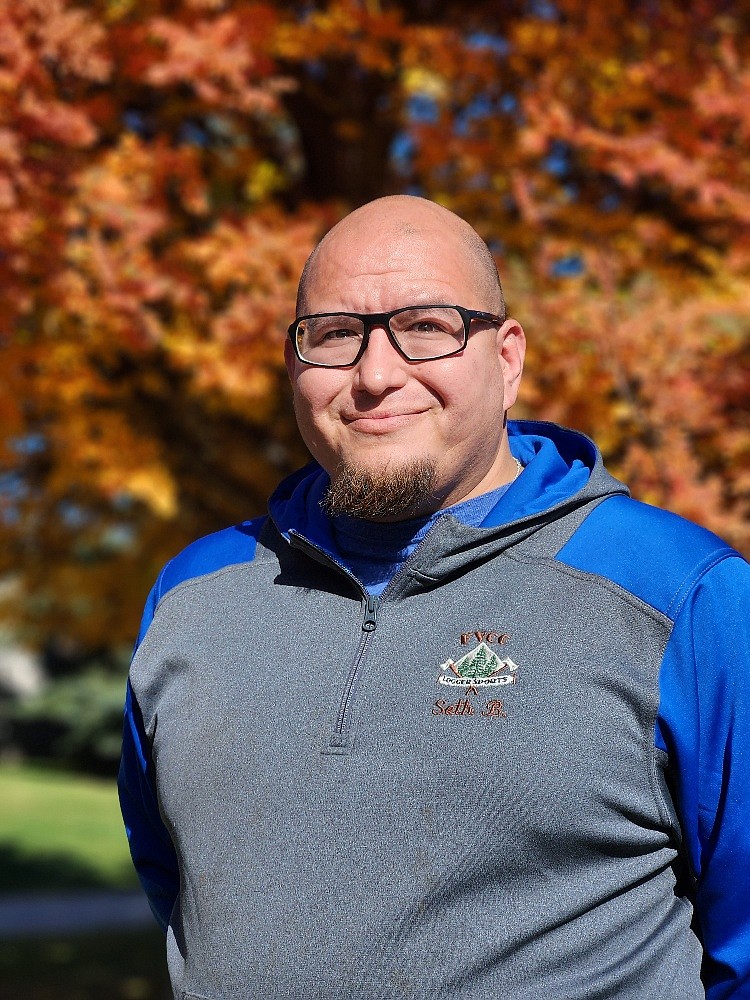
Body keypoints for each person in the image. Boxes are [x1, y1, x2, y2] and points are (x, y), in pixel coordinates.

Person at [119, 195, 750, 1000]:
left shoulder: (679, 592)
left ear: (507, 357)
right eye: (336, 334)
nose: (376, 376)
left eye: (428, 325)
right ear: (294, 366)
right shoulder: (193, 596)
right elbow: (183, 891)